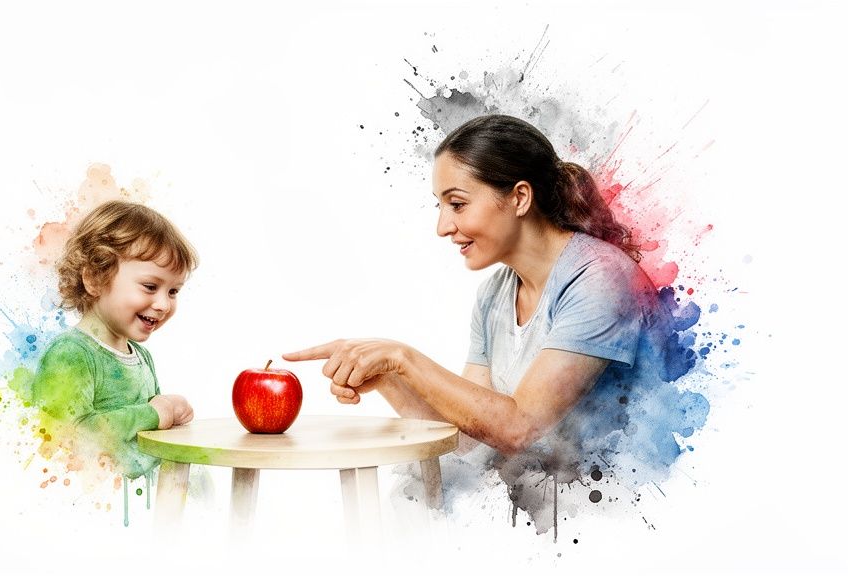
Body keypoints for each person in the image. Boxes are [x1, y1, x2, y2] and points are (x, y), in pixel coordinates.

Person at [284, 114, 704, 533]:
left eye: (458, 203)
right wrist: (387, 377)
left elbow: (519, 428)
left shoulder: (600, 279)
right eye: (441, 206)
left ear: (520, 198)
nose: (443, 227)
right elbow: (467, 439)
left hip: (624, 524)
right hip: (544, 520)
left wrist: (402, 358)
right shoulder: (494, 296)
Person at [32, 200, 198, 481]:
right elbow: (65, 438)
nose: (163, 304)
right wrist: (156, 413)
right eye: (150, 286)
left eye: (173, 291)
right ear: (95, 278)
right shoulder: (70, 354)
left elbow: (149, 435)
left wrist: (170, 417)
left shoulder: (141, 357)